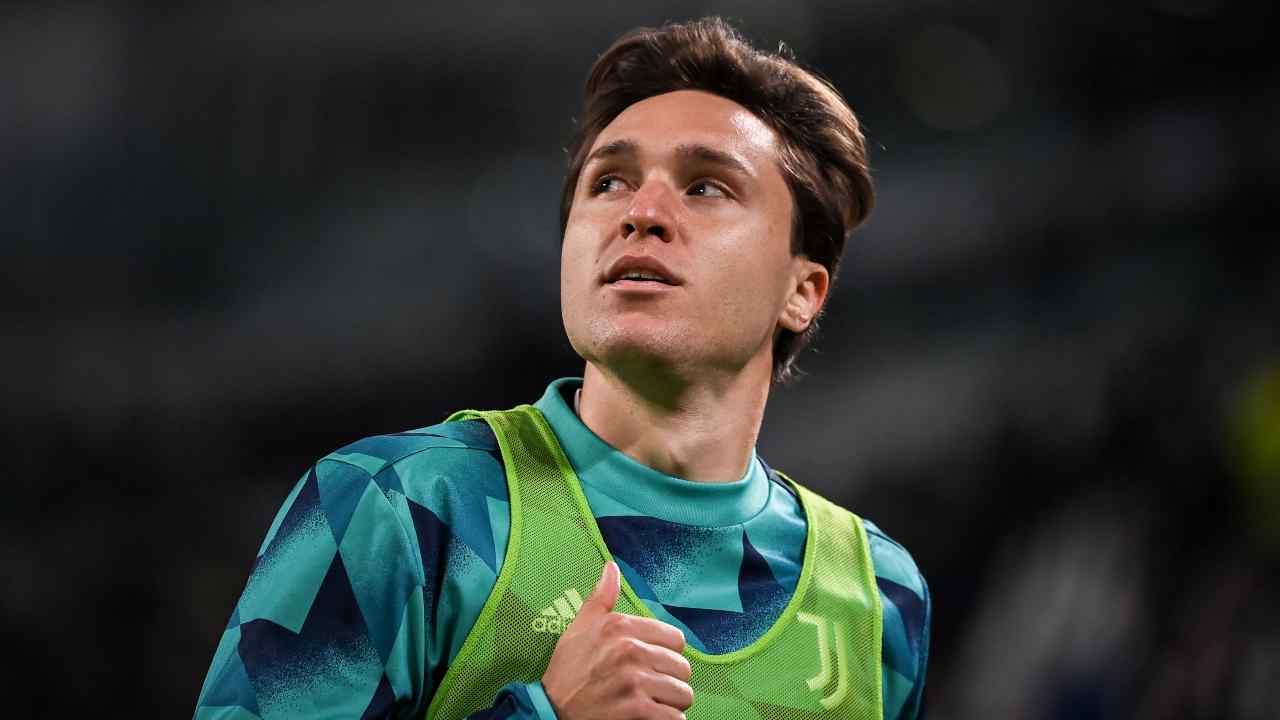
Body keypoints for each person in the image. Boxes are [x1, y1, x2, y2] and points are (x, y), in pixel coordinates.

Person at [194, 16, 930, 720]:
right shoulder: (398, 507)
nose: (641, 212)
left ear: (803, 291)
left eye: (706, 186)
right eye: (608, 183)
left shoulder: (879, 602)